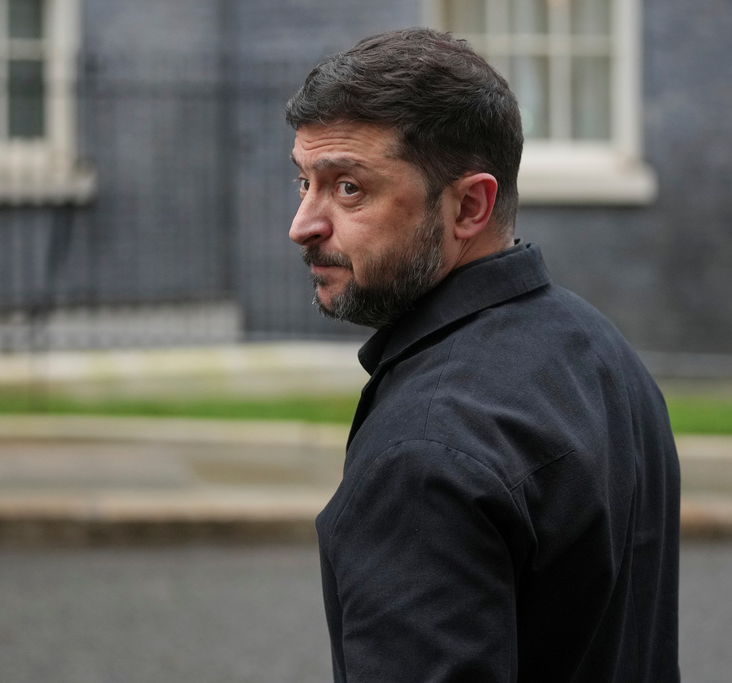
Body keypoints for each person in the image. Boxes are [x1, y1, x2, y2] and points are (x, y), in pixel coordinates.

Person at [286, 28, 680, 682]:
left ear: (469, 205)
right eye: (304, 182)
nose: (302, 224)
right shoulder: (603, 353)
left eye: (348, 187)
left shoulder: (424, 454)